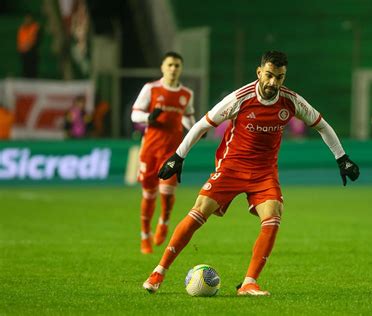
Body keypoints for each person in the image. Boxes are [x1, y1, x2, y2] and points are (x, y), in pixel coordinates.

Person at [142, 51, 360, 296]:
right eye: (269, 75)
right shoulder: (241, 97)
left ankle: (248, 283)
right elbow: (203, 124)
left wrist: (342, 158)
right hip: (232, 166)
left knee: (274, 213)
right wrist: (178, 156)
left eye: (279, 77)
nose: (273, 83)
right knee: (200, 208)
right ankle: (159, 271)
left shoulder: (291, 101)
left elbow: (322, 125)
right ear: (259, 73)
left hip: (264, 172)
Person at [131, 51, 196, 254]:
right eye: (170, 65)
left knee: (167, 194)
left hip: (172, 151)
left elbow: (187, 117)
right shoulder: (151, 89)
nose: (173, 69)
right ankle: (144, 235)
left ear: (181, 68)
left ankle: (164, 221)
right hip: (150, 149)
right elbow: (135, 114)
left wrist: (195, 129)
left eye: (177, 65)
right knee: (149, 195)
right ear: (162, 67)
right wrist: (148, 118)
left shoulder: (187, 94)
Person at [17, 13, 40, 78]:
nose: (27, 20)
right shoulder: (22, 28)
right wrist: (22, 47)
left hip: (31, 52)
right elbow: (20, 40)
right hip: (23, 52)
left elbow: (33, 39)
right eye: (26, 18)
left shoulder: (35, 27)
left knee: (31, 70)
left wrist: (27, 46)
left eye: (28, 18)